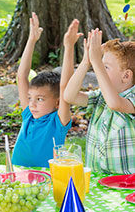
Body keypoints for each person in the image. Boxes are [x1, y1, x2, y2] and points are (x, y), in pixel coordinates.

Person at [12, 13, 81, 167]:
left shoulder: (58, 123)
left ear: (57, 103)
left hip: (47, 179)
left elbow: (65, 85)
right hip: (18, 174)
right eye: (30, 98)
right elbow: (22, 76)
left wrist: (69, 47)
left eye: (40, 99)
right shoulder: (28, 115)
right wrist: (32, 40)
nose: (32, 104)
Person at [64, 29, 135, 174]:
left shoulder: (132, 98)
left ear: (126, 76)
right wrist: (86, 62)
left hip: (126, 184)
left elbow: (115, 104)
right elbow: (70, 96)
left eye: (105, 67)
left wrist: (97, 62)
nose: (99, 71)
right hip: (98, 180)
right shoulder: (101, 96)